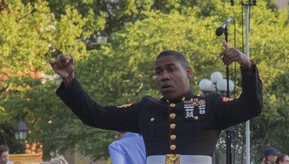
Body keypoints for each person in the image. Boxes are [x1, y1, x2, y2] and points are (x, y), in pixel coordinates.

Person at [50, 41, 263, 164]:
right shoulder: (146, 108)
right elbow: (94, 115)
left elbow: (252, 107)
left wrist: (246, 65)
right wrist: (68, 78)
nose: (164, 76)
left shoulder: (210, 105)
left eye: (171, 69)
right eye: (159, 72)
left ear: (188, 72)